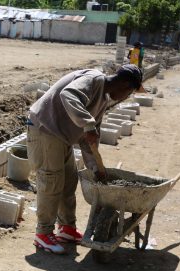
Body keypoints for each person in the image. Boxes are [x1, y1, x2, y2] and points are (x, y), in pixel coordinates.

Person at [27, 65, 145, 254]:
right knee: (52, 181)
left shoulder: (103, 100)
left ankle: (67, 229)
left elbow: (89, 138)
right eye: (129, 92)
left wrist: (94, 166)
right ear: (123, 85)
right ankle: (43, 234)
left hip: (61, 134)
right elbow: (69, 95)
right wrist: (88, 124)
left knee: (69, 180)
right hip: (45, 128)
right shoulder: (94, 79)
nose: (127, 97)